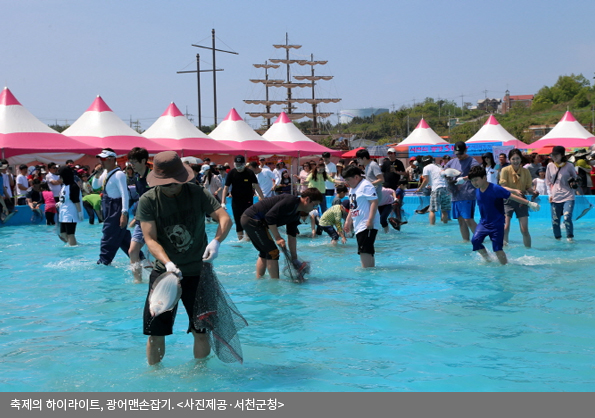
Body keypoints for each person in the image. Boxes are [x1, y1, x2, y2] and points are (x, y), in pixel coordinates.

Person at [136, 151, 232, 365]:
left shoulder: (197, 193)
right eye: (166, 183)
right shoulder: (148, 200)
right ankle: (155, 378)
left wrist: (217, 241)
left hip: (198, 273)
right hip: (164, 275)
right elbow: (150, 239)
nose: (171, 186)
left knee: (201, 331)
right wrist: (168, 263)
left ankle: (200, 376)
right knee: (156, 333)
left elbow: (224, 218)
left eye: (175, 182)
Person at [240, 188, 322, 279]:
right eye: (314, 205)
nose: (314, 208)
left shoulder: (296, 214)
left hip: (256, 222)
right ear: (307, 200)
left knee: (265, 252)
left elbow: (291, 236)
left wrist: (294, 259)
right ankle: (275, 286)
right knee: (273, 252)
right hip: (251, 219)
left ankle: (259, 279)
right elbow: (270, 217)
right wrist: (278, 238)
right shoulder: (290, 201)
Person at [468, 165, 540, 265]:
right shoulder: (477, 190)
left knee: (497, 249)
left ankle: (505, 266)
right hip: (483, 224)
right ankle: (488, 260)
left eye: (476, 180)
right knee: (475, 241)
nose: (474, 183)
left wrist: (529, 203)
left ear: (484, 177)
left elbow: (512, 197)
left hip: (497, 225)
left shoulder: (495, 188)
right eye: (472, 181)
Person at [92, 148, 133, 265]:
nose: (101, 161)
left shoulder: (119, 174)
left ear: (112, 159)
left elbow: (125, 194)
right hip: (108, 207)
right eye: (100, 159)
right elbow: (95, 186)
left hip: (116, 208)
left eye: (104, 159)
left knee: (109, 234)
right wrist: (97, 174)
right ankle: (140, 258)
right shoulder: (105, 173)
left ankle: (104, 261)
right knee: (122, 238)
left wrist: (124, 213)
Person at [343, 165, 380, 268]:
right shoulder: (353, 188)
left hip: (366, 224)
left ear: (356, 177)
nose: (347, 182)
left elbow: (374, 202)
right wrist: (348, 221)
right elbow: (352, 206)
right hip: (359, 224)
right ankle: (370, 273)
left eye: (348, 180)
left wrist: (370, 220)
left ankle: (366, 278)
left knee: (364, 251)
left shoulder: (365, 185)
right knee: (366, 250)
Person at [221, 155, 264, 241]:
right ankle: (240, 241)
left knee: (247, 220)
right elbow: (226, 187)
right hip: (236, 201)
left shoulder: (249, 173)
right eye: (237, 165)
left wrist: (262, 198)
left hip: (248, 200)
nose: (238, 168)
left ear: (244, 164)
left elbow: (256, 186)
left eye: (240, 165)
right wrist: (223, 201)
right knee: (238, 221)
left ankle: (247, 239)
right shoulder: (232, 173)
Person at [498, 149, 536, 248]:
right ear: (509, 160)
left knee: (524, 229)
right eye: (513, 159)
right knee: (505, 227)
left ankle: (529, 251)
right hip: (507, 200)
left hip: (521, 200)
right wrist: (514, 191)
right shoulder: (505, 170)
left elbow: (528, 187)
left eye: (517, 158)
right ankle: (505, 250)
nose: (515, 161)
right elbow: (502, 186)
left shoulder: (525, 171)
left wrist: (533, 191)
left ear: (521, 159)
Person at [445, 141, 480, 241]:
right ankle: (466, 241)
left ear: (465, 150)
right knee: (460, 220)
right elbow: (444, 169)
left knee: (468, 219)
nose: (459, 156)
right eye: (457, 154)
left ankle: (481, 237)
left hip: (467, 194)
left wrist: (464, 178)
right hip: (455, 195)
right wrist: (443, 173)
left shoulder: (471, 161)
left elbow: (477, 173)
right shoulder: (452, 161)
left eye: (461, 153)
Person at [127, 147, 151, 283]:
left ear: (143, 161)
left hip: (154, 221)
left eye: (134, 162)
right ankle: (138, 281)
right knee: (132, 251)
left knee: (155, 253)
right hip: (141, 220)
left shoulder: (152, 178)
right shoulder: (137, 178)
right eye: (131, 162)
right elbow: (141, 200)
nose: (132, 165)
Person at [545, 146, 577, 242]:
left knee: (567, 217)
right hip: (555, 196)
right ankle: (558, 239)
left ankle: (570, 238)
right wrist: (549, 195)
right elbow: (548, 182)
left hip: (568, 195)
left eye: (556, 155)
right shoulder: (549, 166)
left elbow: (575, 178)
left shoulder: (569, 166)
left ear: (562, 155)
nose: (554, 157)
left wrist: (574, 182)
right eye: (552, 155)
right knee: (555, 221)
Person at [416, 155, 451, 225]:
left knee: (432, 210)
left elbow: (426, 180)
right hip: (446, 189)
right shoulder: (439, 166)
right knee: (444, 210)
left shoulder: (426, 167)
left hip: (437, 188)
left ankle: (432, 226)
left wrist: (420, 188)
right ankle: (445, 225)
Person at [58, 165, 84, 246]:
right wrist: (60, 203)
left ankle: (73, 249)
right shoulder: (64, 186)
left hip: (70, 213)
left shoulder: (73, 186)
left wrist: (79, 212)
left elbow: (76, 200)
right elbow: (65, 197)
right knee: (62, 233)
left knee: (70, 234)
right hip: (63, 212)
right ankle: (74, 244)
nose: (60, 178)